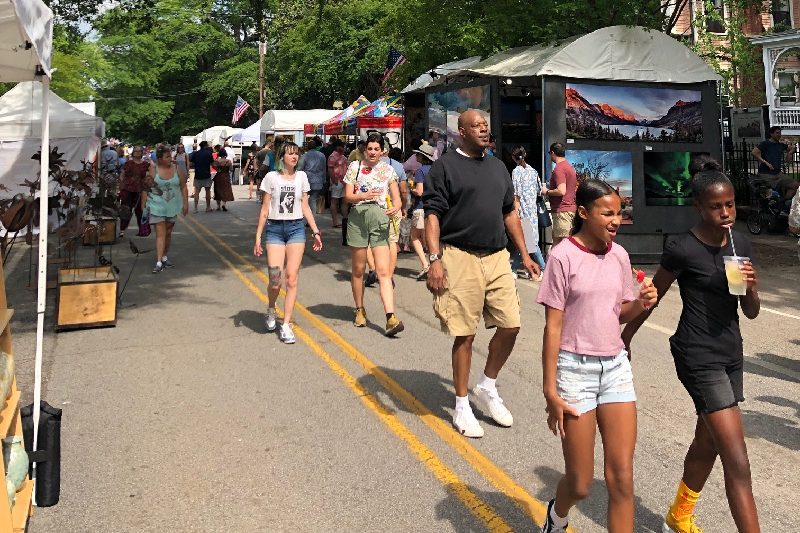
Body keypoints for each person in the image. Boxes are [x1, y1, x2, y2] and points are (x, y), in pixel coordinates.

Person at [622, 157, 762, 533]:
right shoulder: (683, 248)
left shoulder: (740, 242)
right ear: (698, 206)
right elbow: (653, 296)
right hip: (697, 355)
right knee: (738, 462)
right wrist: (625, 339)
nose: (725, 212)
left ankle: (679, 516)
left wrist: (751, 287)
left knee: (709, 442)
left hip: (731, 353)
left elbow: (749, 312)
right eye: (715, 206)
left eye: (730, 204)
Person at [536, 179, 657, 533]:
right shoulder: (562, 256)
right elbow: (553, 328)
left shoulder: (619, 254)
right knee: (580, 483)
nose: (616, 220)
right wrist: (550, 390)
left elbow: (618, 313)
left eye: (620, 213)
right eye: (608, 213)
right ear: (584, 213)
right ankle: (557, 516)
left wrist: (642, 303)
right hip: (575, 372)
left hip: (616, 368)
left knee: (621, 477)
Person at [423, 110, 540, 438]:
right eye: (477, 126)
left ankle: (487, 385)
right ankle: (462, 406)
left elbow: (510, 213)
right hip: (458, 256)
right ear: (461, 132)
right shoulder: (445, 166)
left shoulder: (498, 167)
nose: (484, 130)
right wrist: (434, 260)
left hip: (497, 256)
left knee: (511, 324)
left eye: (486, 126)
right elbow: (432, 214)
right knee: (466, 333)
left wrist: (527, 254)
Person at [254, 142, 323, 344]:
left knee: (292, 279)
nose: (294, 157)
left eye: (296, 154)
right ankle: (271, 309)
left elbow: (306, 207)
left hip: (296, 229)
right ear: (281, 157)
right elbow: (265, 209)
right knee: (276, 280)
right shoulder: (271, 178)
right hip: (275, 229)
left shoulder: (302, 177)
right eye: (290, 154)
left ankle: (286, 324)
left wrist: (316, 230)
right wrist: (258, 236)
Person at [343, 133, 404, 337]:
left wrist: (395, 208)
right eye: (370, 148)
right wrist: (364, 196)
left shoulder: (388, 170)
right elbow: (348, 196)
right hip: (358, 217)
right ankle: (359, 309)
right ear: (364, 149)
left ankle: (390, 317)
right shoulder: (354, 167)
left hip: (379, 219)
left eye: (376, 149)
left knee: (383, 271)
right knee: (359, 268)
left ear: (382, 151)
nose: (373, 152)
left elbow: (397, 199)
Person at [141, 145, 189, 274]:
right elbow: (146, 188)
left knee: (168, 232)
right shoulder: (153, 170)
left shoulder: (177, 169)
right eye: (167, 157)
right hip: (156, 205)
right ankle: (158, 262)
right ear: (160, 159)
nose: (170, 159)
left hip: (172, 205)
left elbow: (183, 186)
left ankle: (164, 256)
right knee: (161, 233)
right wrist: (143, 206)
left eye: (170, 156)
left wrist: (186, 204)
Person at [510, 146, 546, 280]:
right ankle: (521, 269)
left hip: (523, 210)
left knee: (528, 243)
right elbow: (538, 191)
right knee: (527, 241)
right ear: (525, 155)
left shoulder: (516, 172)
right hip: (532, 211)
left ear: (513, 158)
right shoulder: (533, 171)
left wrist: (516, 211)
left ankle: (543, 268)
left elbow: (516, 195)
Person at [409, 143, 435, 279]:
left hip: (420, 206)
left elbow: (419, 191)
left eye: (417, 154)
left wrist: (411, 188)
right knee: (431, 238)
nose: (416, 156)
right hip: (434, 207)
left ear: (422, 156)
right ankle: (434, 264)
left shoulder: (420, 171)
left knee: (414, 237)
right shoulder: (436, 169)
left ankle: (425, 264)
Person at [380, 145, 407, 277]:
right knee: (392, 242)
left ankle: (375, 270)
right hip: (393, 206)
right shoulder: (397, 165)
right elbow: (403, 190)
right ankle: (389, 275)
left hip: (377, 206)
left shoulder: (371, 165)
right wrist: (403, 207)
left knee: (375, 240)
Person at [751, 126, 798, 200]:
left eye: (780, 133)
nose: (779, 135)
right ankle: (773, 205)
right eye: (777, 133)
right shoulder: (765, 144)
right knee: (770, 193)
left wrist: (789, 154)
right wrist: (766, 162)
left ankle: (783, 201)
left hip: (778, 174)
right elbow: (754, 152)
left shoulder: (780, 145)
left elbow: (792, 148)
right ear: (771, 134)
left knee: (795, 186)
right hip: (766, 174)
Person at [546, 142, 578, 247]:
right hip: (569, 209)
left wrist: (546, 191)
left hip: (562, 211)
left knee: (563, 246)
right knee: (557, 243)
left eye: (549, 153)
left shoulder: (559, 169)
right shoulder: (569, 167)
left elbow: (561, 190)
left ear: (553, 153)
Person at [118, 146, 150, 237]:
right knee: (125, 209)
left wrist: (149, 159)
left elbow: (152, 172)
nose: (138, 153)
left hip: (139, 190)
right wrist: (121, 186)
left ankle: (142, 229)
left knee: (140, 210)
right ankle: (122, 229)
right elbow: (122, 175)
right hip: (127, 189)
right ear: (133, 153)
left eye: (139, 151)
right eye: (136, 151)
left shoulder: (145, 164)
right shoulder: (128, 163)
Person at [299, 139, 327, 215]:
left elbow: (300, 169)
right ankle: (312, 218)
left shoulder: (304, 156)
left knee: (305, 199)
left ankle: (309, 218)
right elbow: (324, 169)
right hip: (318, 180)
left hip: (307, 180)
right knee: (313, 199)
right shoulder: (322, 155)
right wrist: (324, 180)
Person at [327, 139, 348, 229]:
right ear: (337, 147)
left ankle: (345, 219)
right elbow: (330, 169)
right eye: (341, 146)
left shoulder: (343, 157)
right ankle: (335, 221)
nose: (343, 148)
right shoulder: (332, 156)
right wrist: (334, 179)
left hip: (344, 181)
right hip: (337, 181)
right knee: (335, 201)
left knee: (344, 201)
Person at [190, 141, 214, 213]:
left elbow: (191, 163)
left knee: (197, 191)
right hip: (206, 174)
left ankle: (195, 208)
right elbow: (212, 163)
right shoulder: (209, 154)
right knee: (207, 191)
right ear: (206, 146)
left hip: (198, 174)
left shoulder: (196, 154)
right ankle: (208, 207)